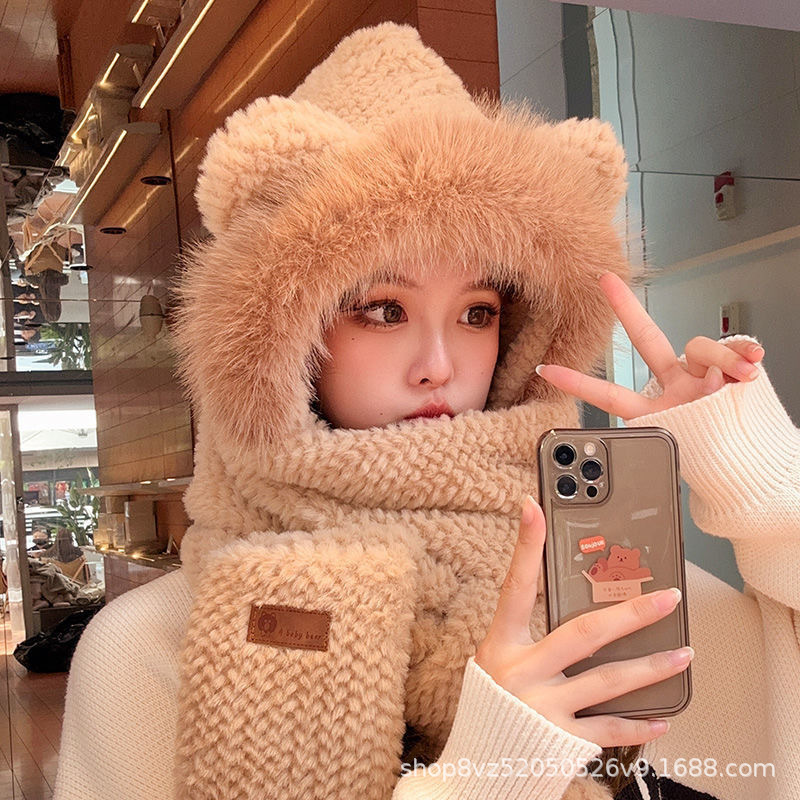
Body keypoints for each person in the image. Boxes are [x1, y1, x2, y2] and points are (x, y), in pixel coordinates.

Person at [53, 22, 799, 800]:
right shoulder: (150, 650)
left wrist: (763, 485)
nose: (440, 364)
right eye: (384, 310)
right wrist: (489, 776)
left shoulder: (609, 592)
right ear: (285, 335)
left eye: (478, 313)